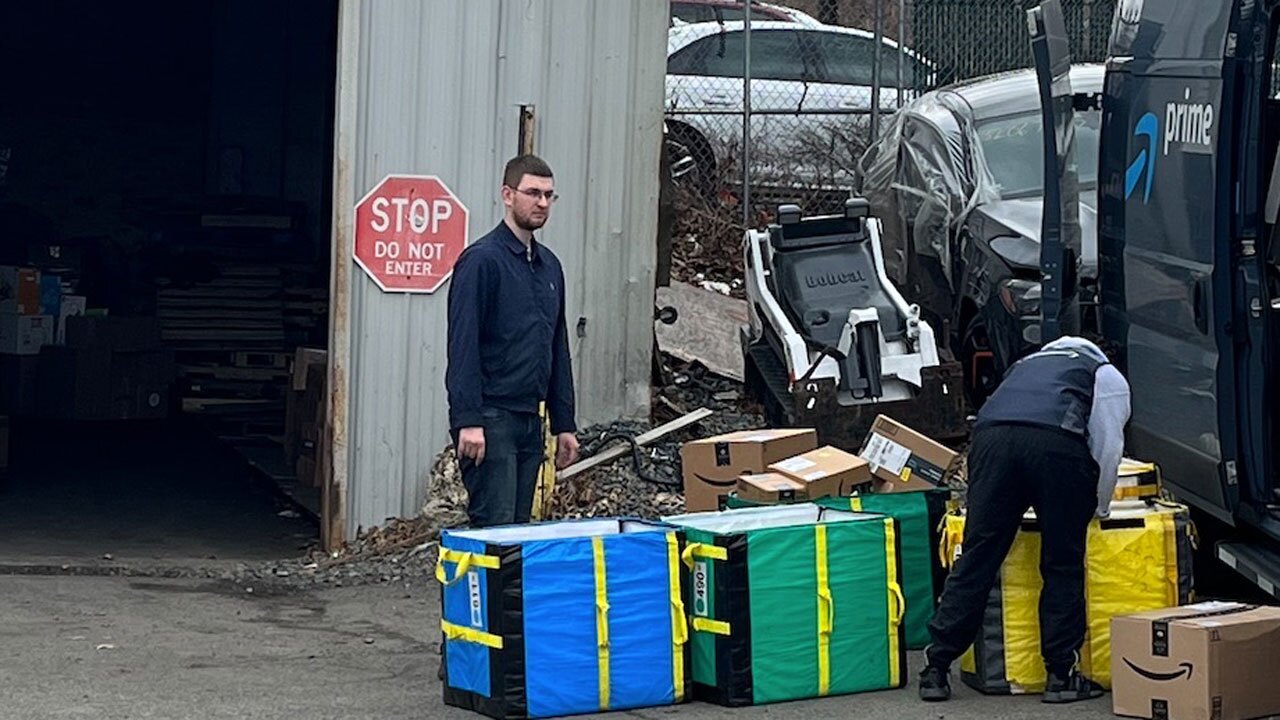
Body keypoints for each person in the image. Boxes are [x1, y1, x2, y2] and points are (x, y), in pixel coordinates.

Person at [918, 335, 1131, 704]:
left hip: (991, 441)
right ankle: (1061, 676)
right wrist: (1099, 505)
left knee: (977, 556)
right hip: (1056, 445)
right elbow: (1107, 447)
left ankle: (935, 668)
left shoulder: (1027, 364)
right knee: (1062, 562)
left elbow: (1001, 416)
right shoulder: (1104, 374)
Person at [445, 154, 580, 528]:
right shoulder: (481, 262)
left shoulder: (549, 266)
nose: (541, 203)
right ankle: (479, 591)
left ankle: (508, 591)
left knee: (520, 535)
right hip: (491, 419)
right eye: (532, 192)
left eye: (549, 195)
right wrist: (468, 420)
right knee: (495, 532)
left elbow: (556, 347)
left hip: (529, 420)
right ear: (508, 194)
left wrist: (563, 423)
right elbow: (463, 346)